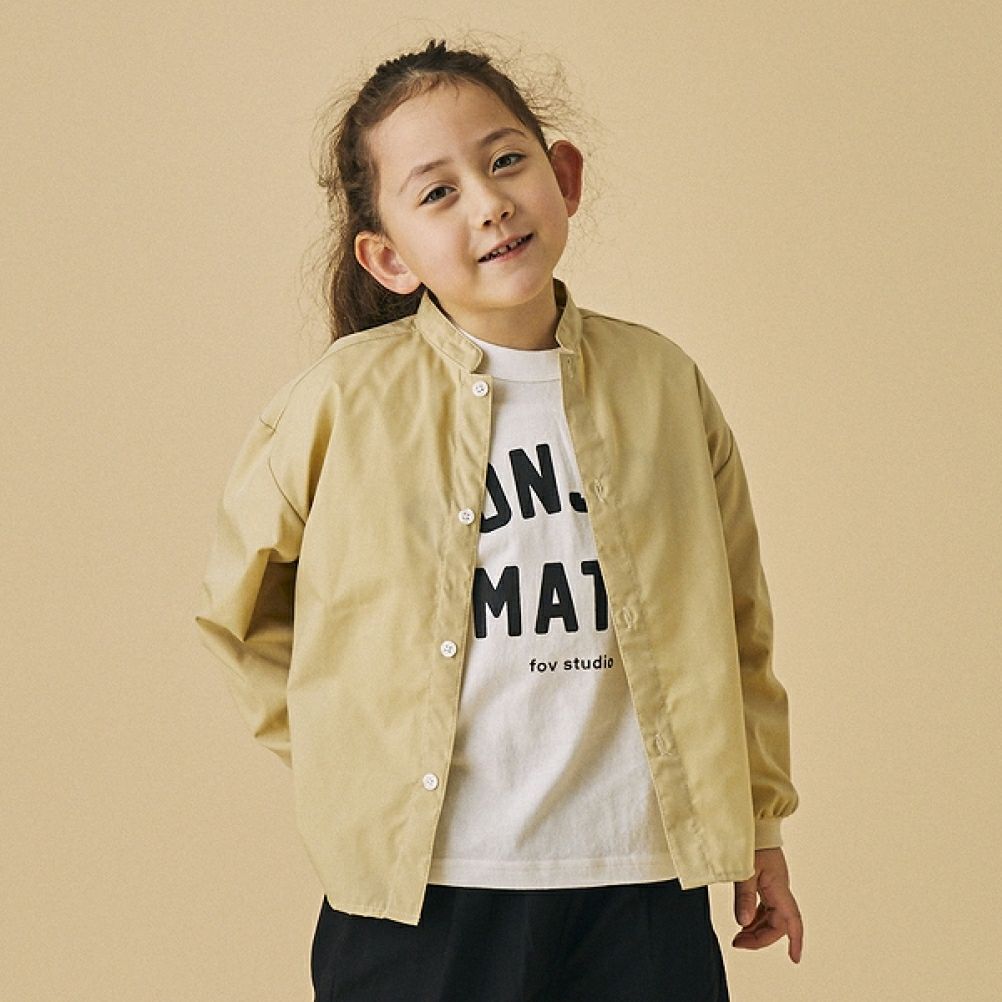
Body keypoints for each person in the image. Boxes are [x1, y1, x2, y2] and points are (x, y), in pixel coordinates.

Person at [195, 37, 803, 1002]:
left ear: (564, 176)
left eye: (507, 160)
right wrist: (357, 757)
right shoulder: (342, 402)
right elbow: (241, 610)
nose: (488, 203)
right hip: (429, 894)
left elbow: (736, 623)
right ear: (389, 257)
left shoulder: (663, 384)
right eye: (438, 192)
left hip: (641, 877)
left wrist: (759, 824)